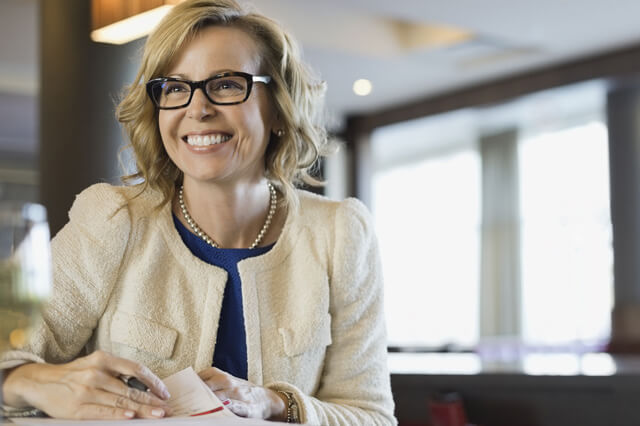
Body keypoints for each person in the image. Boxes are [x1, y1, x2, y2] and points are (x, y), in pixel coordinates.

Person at [0, 0, 396, 424]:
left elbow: (370, 415)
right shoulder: (114, 219)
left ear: (278, 109)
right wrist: (34, 380)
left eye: (226, 84)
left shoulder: (341, 233)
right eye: (174, 87)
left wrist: (278, 403)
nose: (198, 108)